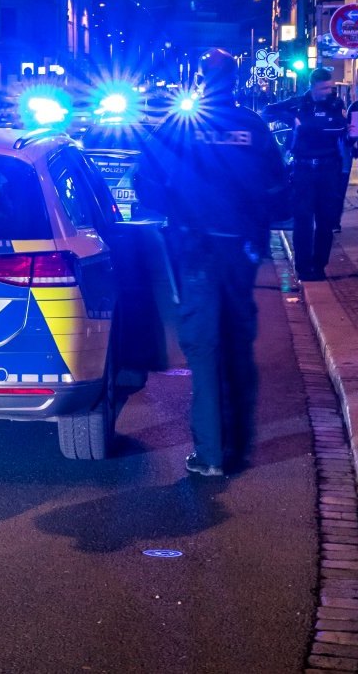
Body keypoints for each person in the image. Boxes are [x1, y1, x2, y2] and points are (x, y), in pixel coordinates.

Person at [134, 48, 287, 477]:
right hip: (240, 249)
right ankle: (237, 449)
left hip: (195, 247)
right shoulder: (253, 127)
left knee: (202, 345)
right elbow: (279, 191)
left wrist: (179, 213)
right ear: (236, 81)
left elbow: (146, 182)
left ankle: (212, 454)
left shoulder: (181, 125)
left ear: (200, 80)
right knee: (238, 344)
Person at [283, 68, 348, 279]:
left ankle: (319, 266)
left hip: (328, 167)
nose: (328, 91)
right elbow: (268, 111)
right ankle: (303, 268)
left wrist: (308, 128)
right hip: (303, 167)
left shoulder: (336, 104)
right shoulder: (299, 104)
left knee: (325, 219)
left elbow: (340, 130)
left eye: (330, 87)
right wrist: (291, 120)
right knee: (302, 219)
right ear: (312, 86)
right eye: (323, 88)